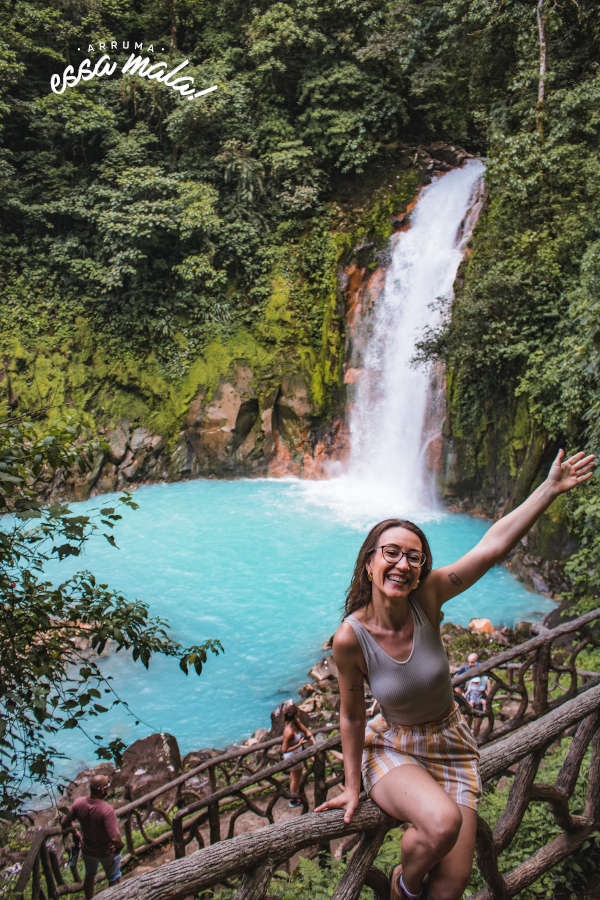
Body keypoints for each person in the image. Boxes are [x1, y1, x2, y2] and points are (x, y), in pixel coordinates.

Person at [315, 449, 595, 900]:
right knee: (441, 824)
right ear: (369, 562)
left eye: (414, 557)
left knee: (451, 885)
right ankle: (402, 885)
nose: (402, 564)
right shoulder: (351, 638)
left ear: (421, 570)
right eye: (391, 553)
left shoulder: (428, 597)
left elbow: (491, 547)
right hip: (394, 747)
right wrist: (350, 787)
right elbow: (350, 715)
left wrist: (550, 488)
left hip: (452, 743)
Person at [61, 774, 123, 898]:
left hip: (88, 849)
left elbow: (64, 822)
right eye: (107, 786)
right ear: (101, 789)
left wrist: (75, 833)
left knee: (89, 876)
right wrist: (119, 847)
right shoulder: (106, 810)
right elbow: (115, 838)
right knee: (114, 878)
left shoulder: (79, 803)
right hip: (106, 851)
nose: (108, 788)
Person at [281, 703, 316, 806]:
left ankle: (295, 794)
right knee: (295, 778)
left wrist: (313, 742)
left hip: (297, 753)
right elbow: (284, 750)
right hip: (291, 756)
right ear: (295, 715)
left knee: (295, 776)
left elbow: (306, 731)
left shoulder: (296, 723)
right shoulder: (289, 732)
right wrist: (299, 744)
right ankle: (293, 800)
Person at [463, 654, 490, 737]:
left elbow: (488, 691)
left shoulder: (485, 677)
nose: (470, 664)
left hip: (480, 702)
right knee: (467, 722)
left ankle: (476, 739)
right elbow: (464, 689)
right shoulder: (467, 673)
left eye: (472, 662)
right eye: (469, 662)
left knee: (477, 725)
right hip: (469, 702)